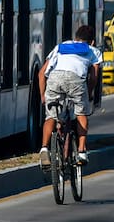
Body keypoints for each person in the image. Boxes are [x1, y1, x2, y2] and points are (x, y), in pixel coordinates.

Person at [37, 25, 102, 167]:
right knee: (81, 113)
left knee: (51, 116)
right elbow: (93, 77)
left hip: (55, 78)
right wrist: (88, 93)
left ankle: (44, 148)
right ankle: (81, 151)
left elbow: (41, 73)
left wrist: (43, 95)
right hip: (76, 79)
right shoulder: (93, 50)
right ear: (92, 41)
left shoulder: (61, 46)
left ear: (75, 38)